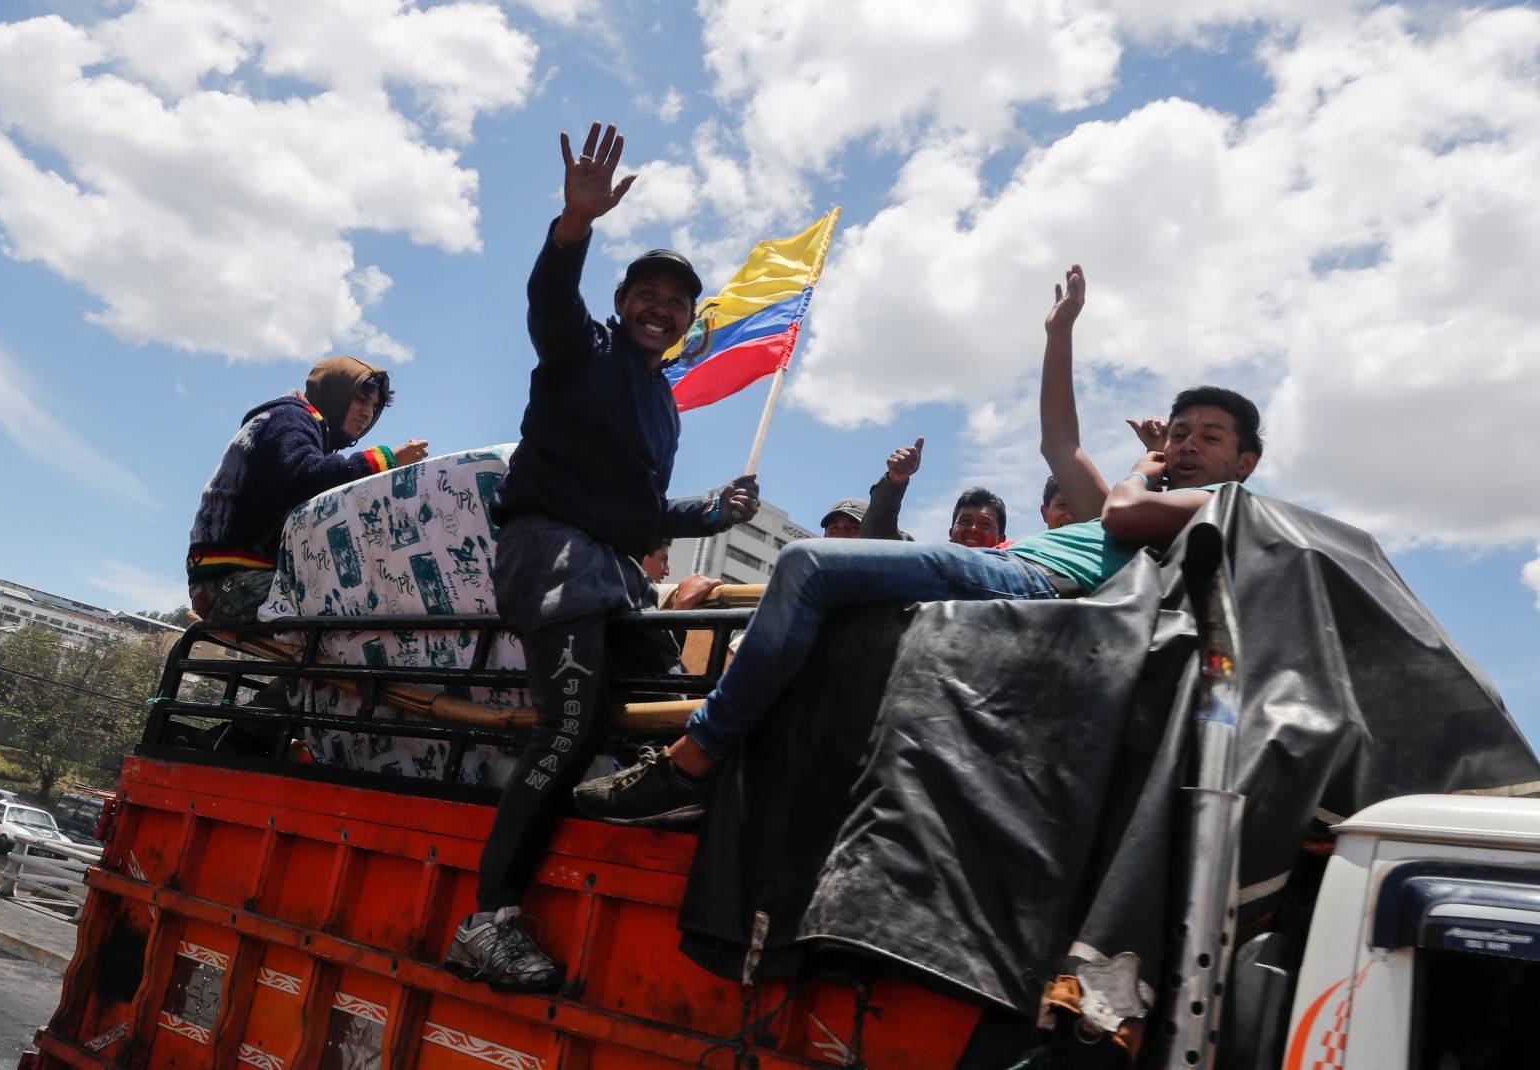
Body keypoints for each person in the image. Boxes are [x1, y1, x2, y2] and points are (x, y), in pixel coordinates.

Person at [573, 263, 1263, 825]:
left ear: (1244, 462)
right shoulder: (1131, 501)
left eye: (1209, 437)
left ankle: (696, 757)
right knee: (822, 596)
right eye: (1180, 433)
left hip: (1034, 585)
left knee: (809, 561)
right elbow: (1060, 442)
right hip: (1003, 572)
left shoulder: (1225, 506)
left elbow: (1121, 512)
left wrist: (1146, 467)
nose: (1185, 446)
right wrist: (1060, 334)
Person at [442, 121, 760, 992]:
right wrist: (573, 225)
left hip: (615, 575)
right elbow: (549, 298)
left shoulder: (665, 405)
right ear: (623, 302)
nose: (661, 307)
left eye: (677, 301)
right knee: (569, 725)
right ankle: (487, 918)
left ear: (688, 319)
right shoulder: (581, 351)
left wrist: (713, 508)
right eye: (647, 294)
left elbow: (640, 513)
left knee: (671, 702)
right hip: (551, 560)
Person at [186, 357, 428, 624]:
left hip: (248, 578)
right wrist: (384, 459)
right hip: (230, 580)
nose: (367, 413)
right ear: (335, 393)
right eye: (360, 399)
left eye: (374, 407)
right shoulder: (289, 418)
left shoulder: (309, 430)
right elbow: (307, 477)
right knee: (361, 610)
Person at [861, 437, 1006, 546]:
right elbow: (876, 535)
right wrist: (896, 480)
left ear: (1000, 539)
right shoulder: (926, 569)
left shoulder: (1016, 580)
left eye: (985, 525)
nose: (973, 529)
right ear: (951, 532)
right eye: (965, 521)